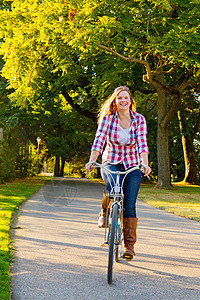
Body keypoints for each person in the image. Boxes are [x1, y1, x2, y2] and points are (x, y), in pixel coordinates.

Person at [85, 86, 151, 260]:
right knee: (112, 184)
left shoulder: (139, 120)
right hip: (111, 161)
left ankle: (129, 246)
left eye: (126, 98)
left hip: (132, 163)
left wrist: (145, 164)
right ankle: (105, 210)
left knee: (129, 203)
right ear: (115, 101)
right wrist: (92, 160)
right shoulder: (107, 120)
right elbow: (98, 141)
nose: (123, 101)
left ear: (130, 101)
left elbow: (143, 144)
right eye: (119, 98)